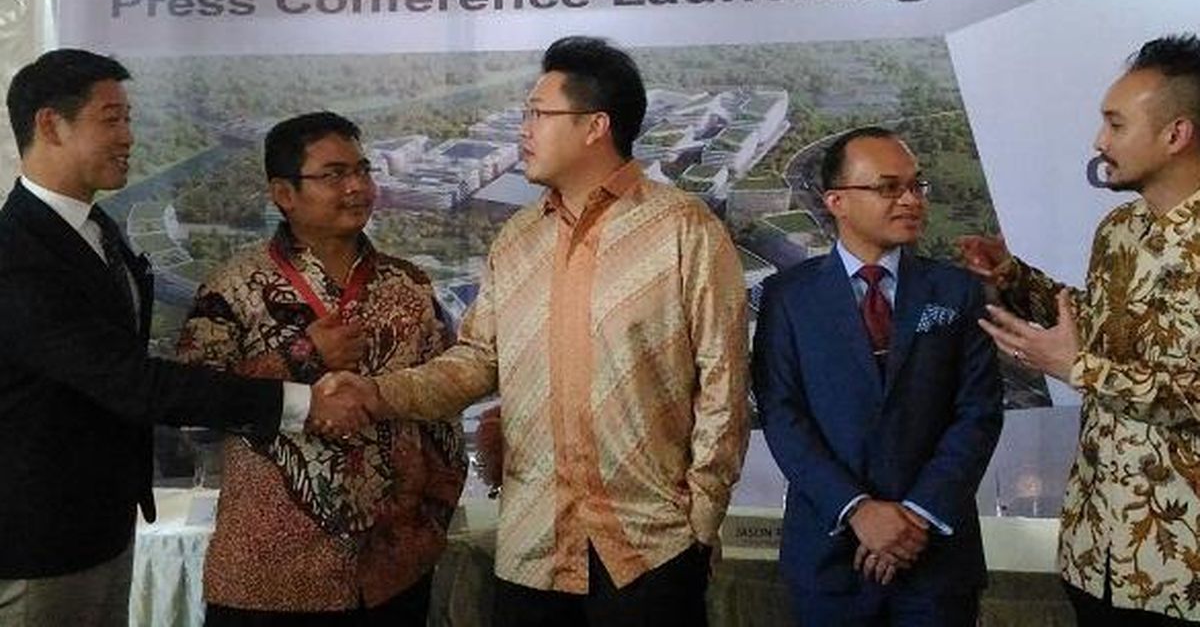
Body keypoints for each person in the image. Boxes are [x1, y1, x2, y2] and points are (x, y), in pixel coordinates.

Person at [325, 35, 750, 626]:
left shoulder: (684, 230)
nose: (522, 129)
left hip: (650, 547)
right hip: (534, 547)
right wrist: (377, 393)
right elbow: (476, 360)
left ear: (594, 126)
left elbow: (724, 381)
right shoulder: (517, 238)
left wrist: (702, 516)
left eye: (537, 113)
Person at [0, 50, 367, 627]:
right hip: (40, 539)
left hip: (96, 526)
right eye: (111, 119)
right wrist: (302, 396)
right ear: (51, 124)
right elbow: (133, 383)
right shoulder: (17, 254)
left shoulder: (95, 229)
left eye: (129, 118)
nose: (129, 137)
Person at [175, 111, 467, 626]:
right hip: (270, 576)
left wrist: (431, 520)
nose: (357, 187)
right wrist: (299, 356)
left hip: (392, 570)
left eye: (364, 170)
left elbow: (444, 407)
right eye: (334, 175)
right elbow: (193, 409)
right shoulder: (233, 288)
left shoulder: (409, 286)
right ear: (283, 194)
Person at [960, 34, 1200, 625]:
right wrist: (1015, 276)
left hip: (1184, 570)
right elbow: (1100, 321)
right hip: (1096, 552)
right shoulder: (1119, 229)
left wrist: (1078, 369)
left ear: (1176, 134)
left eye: (1115, 125)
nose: (1099, 142)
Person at [752, 126, 1002, 626]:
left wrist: (915, 516)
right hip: (829, 553)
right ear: (837, 201)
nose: (911, 200)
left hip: (934, 558)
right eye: (889, 187)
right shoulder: (788, 297)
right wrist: (858, 510)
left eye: (917, 186)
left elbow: (978, 414)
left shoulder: (956, 291)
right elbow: (782, 415)